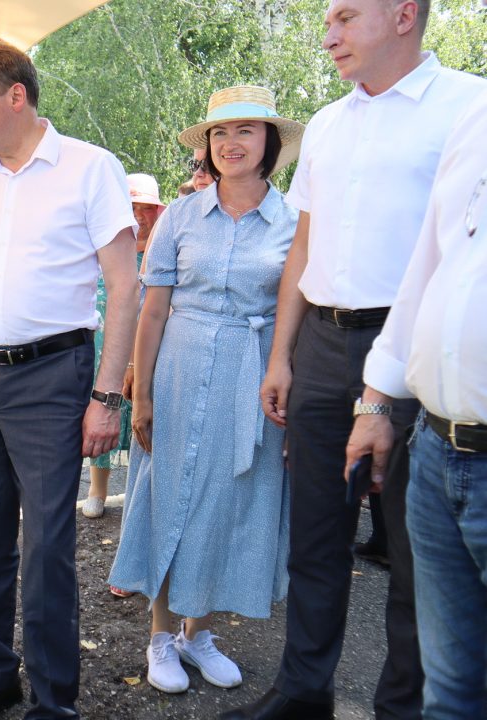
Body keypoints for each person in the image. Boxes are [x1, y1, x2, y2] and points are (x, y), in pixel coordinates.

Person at [228, 1, 487, 718]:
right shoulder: (328, 123)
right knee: (315, 536)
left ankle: (401, 707)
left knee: (415, 554)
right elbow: (304, 247)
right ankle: (302, 694)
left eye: (344, 16)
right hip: (322, 343)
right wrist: (281, 355)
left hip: (413, 354)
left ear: (403, 14)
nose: (329, 35)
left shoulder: (469, 108)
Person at [0, 42, 139, 720]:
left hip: (52, 378)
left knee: (47, 551)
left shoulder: (90, 168)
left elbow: (124, 287)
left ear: (16, 95)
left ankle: (52, 700)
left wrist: (107, 397)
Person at [109, 86, 303, 695]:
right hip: (179, 368)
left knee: (228, 501)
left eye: (245, 130)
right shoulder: (180, 215)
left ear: (270, 142)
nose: (230, 143)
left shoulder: (293, 222)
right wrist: (141, 395)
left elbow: (295, 312)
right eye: (220, 132)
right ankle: (160, 635)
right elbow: (152, 311)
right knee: (170, 495)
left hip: (251, 376)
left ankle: (200, 634)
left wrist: (286, 377)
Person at [346, 77, 487, 719]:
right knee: (450, 691)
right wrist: (376, 401)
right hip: (435, 445)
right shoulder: (475, 116)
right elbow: (428, 269)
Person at [82, 173, 165, 520]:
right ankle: (97, 489)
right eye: (132, 207)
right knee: (107, 406)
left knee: (147, 416)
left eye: (147, 208)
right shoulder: (108, 248)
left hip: (152, 345)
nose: (140, 215)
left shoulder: (165, 247)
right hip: (110, 344)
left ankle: (145, 493)